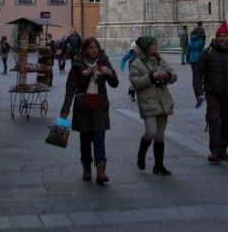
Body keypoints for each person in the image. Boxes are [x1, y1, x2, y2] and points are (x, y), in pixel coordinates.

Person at [60, 37, 119, 184]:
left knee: (99, 138)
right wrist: (65, 110)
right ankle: (86, 167)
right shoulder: (77, 66)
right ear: (85, 50)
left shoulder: (103, 62)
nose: (95, 50)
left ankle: (101, 171)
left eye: (96, 48)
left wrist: (109, 73)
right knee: (85, 140)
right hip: (83, 107)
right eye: (91, 48)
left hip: (100, 105)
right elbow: (70, 88)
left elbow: (115, 83)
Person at [192, 23, 228, 162]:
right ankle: (215, 150)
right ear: (216, 37)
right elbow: (198, 72)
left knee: (227, 121)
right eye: (219, 36)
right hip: (213, 93)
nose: (222, 39)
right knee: (214, 120)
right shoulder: (208, 51)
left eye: (224, 36)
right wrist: (199, 92)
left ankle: (223, 148)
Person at [129, 37, 177, 175]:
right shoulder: (136, 64)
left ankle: (159, 165)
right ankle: (141, 154)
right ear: (145, 47)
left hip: (163, 101)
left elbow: (174, 75)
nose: (156, 46)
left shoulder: (160, 60)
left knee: (160, 135)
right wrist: (153, 76)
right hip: (148, 102)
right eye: (153, 44)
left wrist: (167, 75)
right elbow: (136, 83)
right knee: (151, 132)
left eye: (156, 43)